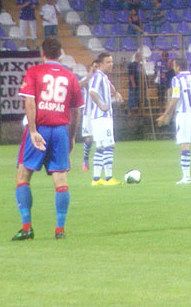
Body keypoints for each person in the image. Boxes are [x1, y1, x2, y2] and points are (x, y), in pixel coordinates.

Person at [13, 37, 84, 241]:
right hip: (61, 130)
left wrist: (33, 130)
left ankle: (27, 227)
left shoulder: (34, 72)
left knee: (23, 175)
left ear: (42, 53)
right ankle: (59, 229)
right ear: (60, 53)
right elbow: (76, 111)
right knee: (60, 179)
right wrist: (71, 137)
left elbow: (30, 102)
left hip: (41, 127)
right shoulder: (70, 77)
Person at [156, 58, 191, 186]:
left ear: (177, 66)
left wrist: (165, 114)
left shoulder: (176, 80)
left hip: (184, 115)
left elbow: (175, 97)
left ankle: (186, 177)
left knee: (184, 145)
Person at [86, 52, 122, 186]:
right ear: (100, 64)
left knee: (100, 146)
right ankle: (108, 178)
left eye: (112, 62)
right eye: (108, 62)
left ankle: (96, 179)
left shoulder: (103, 77)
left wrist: (116, 93)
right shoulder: (98, 77)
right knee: (109, 145)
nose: (111, 64)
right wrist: (101, 105)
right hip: (102, 117)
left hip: (100, 117)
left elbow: (110, 86)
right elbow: (92, 92)